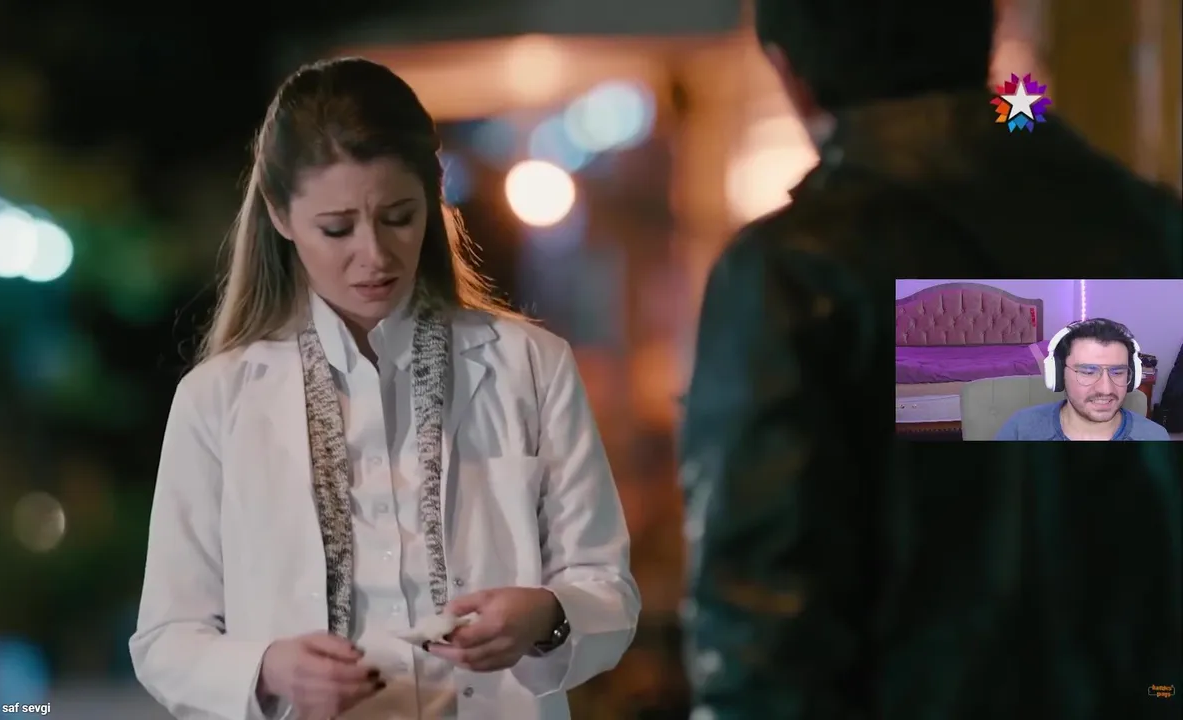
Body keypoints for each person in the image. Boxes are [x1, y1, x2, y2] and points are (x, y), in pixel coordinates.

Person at [679, 0, 1181, 718]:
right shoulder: (1151, 232)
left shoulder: (804, 269)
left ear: (792, 75)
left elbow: (764, 631)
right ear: (985, 34)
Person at [129, 57, 640, 720]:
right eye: (337, 229)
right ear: (281, 216)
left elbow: (607, 589)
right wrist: (270, 668)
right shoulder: (218, 399)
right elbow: (166, 640)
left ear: (433, 197)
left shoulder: (531, 366)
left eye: (398, 217)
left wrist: (545, 616)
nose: (373, 255)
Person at [995, 319, 1171, 441]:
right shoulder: (1021, 429)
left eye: (1117, 372)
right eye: (1088, 372)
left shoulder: (1155, 437)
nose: (1106, 389)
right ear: (1058, 374)